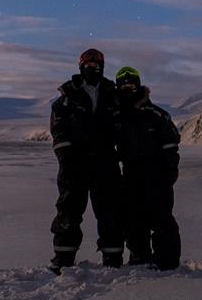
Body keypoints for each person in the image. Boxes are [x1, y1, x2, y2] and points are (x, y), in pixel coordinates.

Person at [48, 48, 124, 272]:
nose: (93, 69)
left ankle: (113, 260)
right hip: (75, 164)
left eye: (97, 66)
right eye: (89, 66)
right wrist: (65, 156)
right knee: (68, 211)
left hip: (105, 162)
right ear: (81, 67)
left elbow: (126, 119)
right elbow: (58, 128)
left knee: (110, 212)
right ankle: (63, 259)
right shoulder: (67, 96)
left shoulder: (113, 93)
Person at [112, 66, 181, 270]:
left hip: (156, 174)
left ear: (139, 85)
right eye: (123, 85)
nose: (127, 88)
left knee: (161, 218)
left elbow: (171, 143)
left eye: (131, 84)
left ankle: (167, 262)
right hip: (130, 174)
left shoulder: (157, 115)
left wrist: (169, 170)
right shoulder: (117, 116)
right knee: (133, 219)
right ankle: (139, 258)